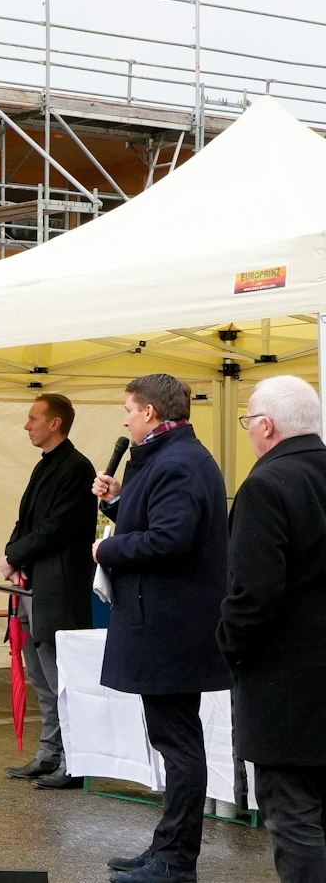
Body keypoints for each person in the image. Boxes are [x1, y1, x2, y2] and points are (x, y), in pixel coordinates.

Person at [91, 373, 229, 883]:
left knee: (179, 746)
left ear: (149, 412)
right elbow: (150, 519)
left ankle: (175, 861)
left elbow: (170, 539)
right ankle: (166, 848)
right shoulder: (169, 459)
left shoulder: (178, 463)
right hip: (165, 624)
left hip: (172, 629)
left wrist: (108, 548)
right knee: (174, 742)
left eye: (129, 408)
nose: (124, 418)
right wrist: (116, 503)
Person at [222, 376, 326, 882]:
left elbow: (253, 595)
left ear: (265, 425)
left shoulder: (266, 485)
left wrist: (230, 647)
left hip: (286, 682)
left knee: (294, 814)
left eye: (248, 421)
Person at [0, 394, 97, 790]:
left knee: (60, 677)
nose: (27, 425)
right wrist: (13, 555)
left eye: (33, 418)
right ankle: (50, 752)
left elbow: (57, 527)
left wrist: (15, 555)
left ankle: (74, 761)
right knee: (40, 676)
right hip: (34, 583)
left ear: (55, 423)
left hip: (58, 587)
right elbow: (28, 521)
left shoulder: (76, 468)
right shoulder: (47, 467)